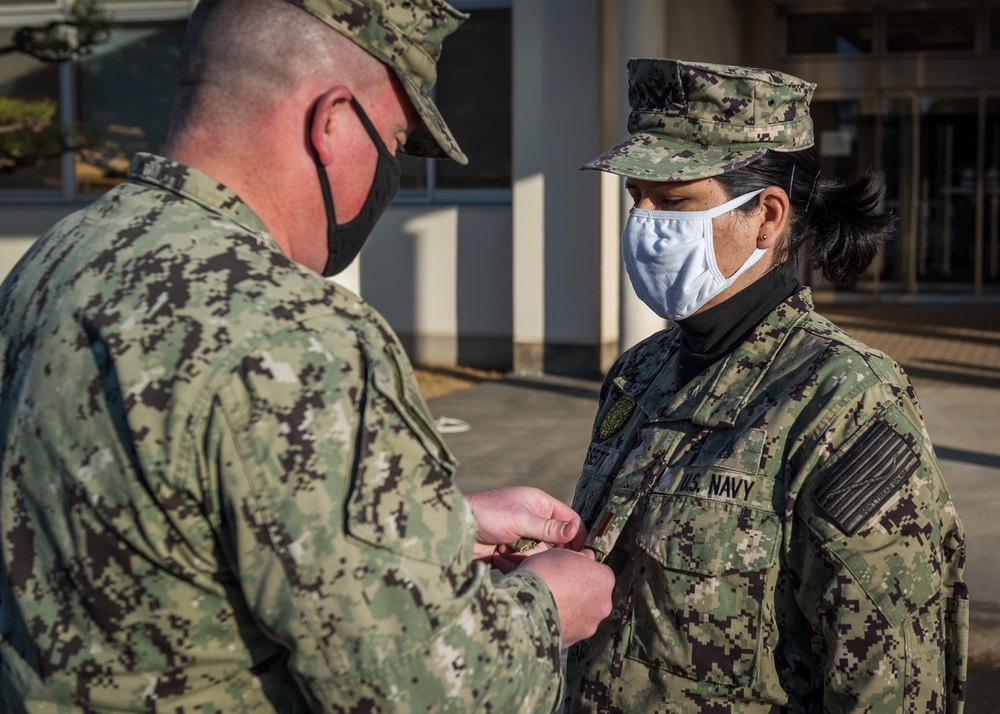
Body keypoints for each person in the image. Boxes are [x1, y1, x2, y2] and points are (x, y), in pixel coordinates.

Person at [0, 0, 615, 710]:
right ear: (329, 123)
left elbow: (158, 513)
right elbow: (421, 691)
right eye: (391, 138)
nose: (391, 173)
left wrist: (434, 525)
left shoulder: (59, 261)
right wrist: (546, 608)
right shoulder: (294, 329)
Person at [564, 58, 968, 713]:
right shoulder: (639, 373)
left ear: (767, 215)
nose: (641, 221)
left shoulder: (844, 401)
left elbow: (888, 685)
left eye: (672, 201)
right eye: (635, 196)